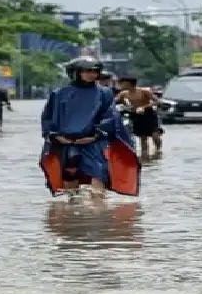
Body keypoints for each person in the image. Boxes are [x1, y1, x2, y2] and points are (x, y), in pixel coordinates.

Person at [39, 57, 140, 209]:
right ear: (76, 72)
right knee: (70, 179)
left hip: (94, 142)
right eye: (87, 71)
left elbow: (111, 116)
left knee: (99, 174)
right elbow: (48, 117)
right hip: (66, 142)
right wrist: (56, 135)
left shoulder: (104, 93)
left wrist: (96, 135)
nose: (92, 74)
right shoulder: (59, 94)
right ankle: (72, 215)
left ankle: (99, 214)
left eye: (95, 71)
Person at [116, 76, 163, 158]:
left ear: (128, 84)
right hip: (136, 116)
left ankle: (158, 152)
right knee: (142, 138)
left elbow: (158, 101)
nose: (120, 85)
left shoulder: (144, 91)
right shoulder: (123, 94)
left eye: (122, 83)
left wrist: (144, 107)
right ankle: (145, 157)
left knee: (155, 135)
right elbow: (115, 102)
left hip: (149, 115)